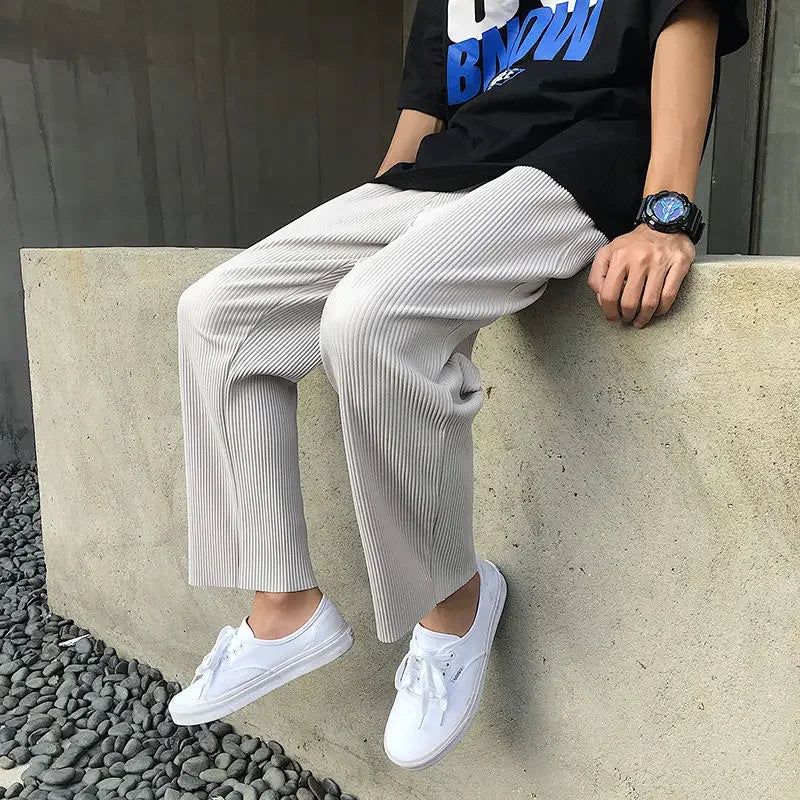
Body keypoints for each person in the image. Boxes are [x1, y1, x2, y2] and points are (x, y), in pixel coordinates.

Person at [168, 0, 748, 770]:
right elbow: (421, 119)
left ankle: (455, 603)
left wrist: (665, 213)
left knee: (371, 316)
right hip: (444, 174)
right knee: (216, 313)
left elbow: (686, 30)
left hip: (578, 162)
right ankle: (283, 608)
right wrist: (368, 220)